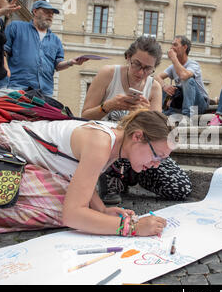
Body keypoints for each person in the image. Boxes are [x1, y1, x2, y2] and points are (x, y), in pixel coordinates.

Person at [0, 109, 170, 236]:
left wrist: (101, 209)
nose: (156, 165)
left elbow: (80, 175)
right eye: (157, 156)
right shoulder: (101, 143)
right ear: (138, 136)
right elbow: (72, 216)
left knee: (87, 213)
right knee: (62, 211)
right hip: (5, 153)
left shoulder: (118, 139)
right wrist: (133, 227)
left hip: (18, 157)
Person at [81, 36, 192, 204]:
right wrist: (109, 106)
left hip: (141, 151)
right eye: (137, 64)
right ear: (128, 57)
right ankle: (113, 175)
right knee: (116, 142)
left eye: (148, 69)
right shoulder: (108, 74)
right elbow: (84, 117)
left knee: (179, 186)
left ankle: (128, 175)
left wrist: (145, 114)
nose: (141, 73)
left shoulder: (154, 87)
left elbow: (157, 134)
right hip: (107, 148)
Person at [4, 0, 88, 96]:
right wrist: (6, 70)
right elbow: (3, 51)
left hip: (44, 93)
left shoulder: (55, 40)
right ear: (35, 12)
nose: (50, 15)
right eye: (46, 12)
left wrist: (71, 62)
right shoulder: (16, 27)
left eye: (52, 13)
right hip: (17, 87)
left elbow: (57, 64)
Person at [155, 35, 209, 117]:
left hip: (199, 104)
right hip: (183, 102)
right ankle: (164, 113)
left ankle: (187, 115)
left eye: (175, 45)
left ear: (184, 47)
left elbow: (183, 76)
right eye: (172, 45)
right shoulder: (173, 66)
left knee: (188, 80)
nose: (172, 48)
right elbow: (157, 77)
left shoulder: (193, 64)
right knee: (163, 86)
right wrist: (164, 86)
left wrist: (174, 58)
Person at [0, 0, 19, 89]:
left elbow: (1, 47)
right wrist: (0, 12)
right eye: (8, 0)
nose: (10, 3)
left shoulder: (0, 22)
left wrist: (6, 69)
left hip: (0, 78)